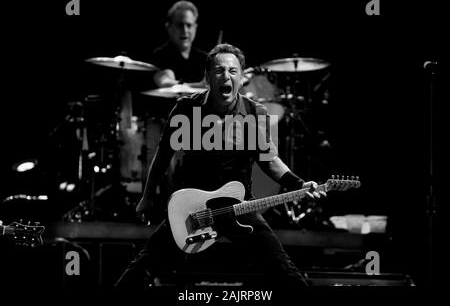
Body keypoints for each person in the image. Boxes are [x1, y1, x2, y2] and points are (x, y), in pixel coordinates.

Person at [115, 43, 326, 288]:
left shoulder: (253, 113)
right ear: (207, 77)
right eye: (218, 71)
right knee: (143, 266)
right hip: (193, 208)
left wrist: (299, 184)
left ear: (242, 77)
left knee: (281, 268)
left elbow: (270, 162)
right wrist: (148, 196)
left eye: (233, 71)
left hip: (238, 206)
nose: (226, 76)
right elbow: (162, 156)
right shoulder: (186, 108)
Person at [150, 0, 207, 88]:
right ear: (168, 27)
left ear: (195, 27)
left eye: (189, 25)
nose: (185, 31)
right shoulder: (160, 56)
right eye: (180, 25)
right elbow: (164, 82)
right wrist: (199, 86)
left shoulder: (204, 58)